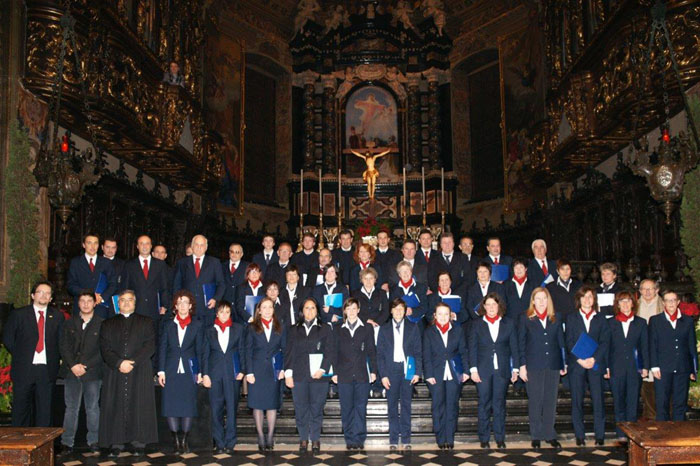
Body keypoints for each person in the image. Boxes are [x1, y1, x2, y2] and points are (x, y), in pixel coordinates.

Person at [98, 290, 158, 457]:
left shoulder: (146, 322)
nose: (126, 303)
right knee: (115, 404)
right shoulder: (107, 324)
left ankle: (139, 442)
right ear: (118, 303)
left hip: (139, 369)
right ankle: (116, 442)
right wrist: (119, 363)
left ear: (135, 302)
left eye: (129, 300)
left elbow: (150, 346)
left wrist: (133, 362)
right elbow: (105, 348)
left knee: (139, 404)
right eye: (122, 300)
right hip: (115, 370)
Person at [3, 281, 63, 427]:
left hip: (46, 370)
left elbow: (61, 341)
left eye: (47, 293)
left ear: (51, 298)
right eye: (40, 292)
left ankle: (42, 441)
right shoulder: (19, 314)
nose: (44, 295)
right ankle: (19, 440)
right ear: (32, 295)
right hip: (24, 369)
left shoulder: (57, 317)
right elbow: (8, 338)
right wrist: (22, 355)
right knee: (21, 410)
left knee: (45, 412)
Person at [517, 287, 566, 450]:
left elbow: (561, 341)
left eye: (544, 298)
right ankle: (536, 435)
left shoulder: (556, 317)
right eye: (538, 298)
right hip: (533, 365)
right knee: (536, 400)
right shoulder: (525, 318)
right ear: (533, 301)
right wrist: (522, 366)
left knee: (550, 400)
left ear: (548, 300)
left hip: (553, 364)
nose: (541, 302)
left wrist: (564, 362)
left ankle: (550, 434)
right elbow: (521, 343)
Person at [469, 293, 520, 449]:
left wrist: (516, 369)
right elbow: (472, 348)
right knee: (484, 403)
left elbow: (514, 347)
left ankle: (499, 438)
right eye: (488, 304)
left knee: (499, 404)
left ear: (499, 306)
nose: (491, 307)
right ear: (484, 307)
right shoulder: (476, 324)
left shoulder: (508, 323)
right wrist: (473, 369)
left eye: (494, 304)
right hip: (482, 369)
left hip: (502, 369)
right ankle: (484, 438)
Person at [284, 298, 334, 453]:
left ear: (317, 311)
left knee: (317, 408)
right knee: (300, 408)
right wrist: (288, 374)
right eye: (307, 308)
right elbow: (289, 352)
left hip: (319, 376)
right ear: (301, 311)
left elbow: (330, 351)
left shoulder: (325, 328)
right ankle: (303, 439)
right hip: (299, 375)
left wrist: (323, 369)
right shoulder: (293, 329)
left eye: (313, 308)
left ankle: (316, 439)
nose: (310, 311)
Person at [157, 290, 203, 454]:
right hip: (170, 369)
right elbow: (162, 348)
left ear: (190, 306)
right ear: (175, 306)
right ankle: (176, 440)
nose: (183, 305)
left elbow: (200, 350)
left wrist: (200, 371)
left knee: (188, 406)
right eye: (179, 302)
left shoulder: (197, 325)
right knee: (170, 406)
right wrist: (161, 371)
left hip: (190, 371)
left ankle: (184, 440)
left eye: (186, 302)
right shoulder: (168, 325)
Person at [58, 290, 104, 455]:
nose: (85, 304)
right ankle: (67, 442)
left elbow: (103, 350)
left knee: (92, 408)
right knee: (71, 408)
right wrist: (73, 365)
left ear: (94, 303)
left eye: (89, 301)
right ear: (78, 303)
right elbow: (63, 346)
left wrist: (86, 366)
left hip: (92, 373)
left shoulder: (102, 324)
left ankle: (94, 441)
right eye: (82, 301)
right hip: (72, 372)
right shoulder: (69, 323)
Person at [565, 286, 610, 446]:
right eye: (584, 297)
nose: (587, 300)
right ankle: (580, 435)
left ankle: (600, 435)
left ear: (594, 299)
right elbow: (569, 340)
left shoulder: (601, 318)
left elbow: (605, 341)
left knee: (598, 400)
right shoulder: (571, 317)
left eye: (590, 296)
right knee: (577, 401)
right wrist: (580, 359)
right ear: (579, 299)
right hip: (577, 364)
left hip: (595, 364)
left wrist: (594, 359)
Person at [377, 298, 422, 450]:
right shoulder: (384, 329)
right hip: (391, 371)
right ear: (391, 311)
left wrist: (417, 372)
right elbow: (380, 355)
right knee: (392, 406)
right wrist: (383, 375)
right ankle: (393, 439)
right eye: (395, 309)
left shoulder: (413, 327)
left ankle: (406, 438)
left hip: (407, 370)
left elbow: (418, 351)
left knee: (406, 405)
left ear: (405, 311)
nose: (398, 312)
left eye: (401, 309)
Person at [332, 298, 377, 450]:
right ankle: (349, 439)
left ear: (358, 310)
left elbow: (372, 351)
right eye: (348, 308)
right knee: (346, 408)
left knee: (360, 407)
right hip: (343, 374)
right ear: (344, 311)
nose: (351, 311)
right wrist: (334, 372)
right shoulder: (337, 329)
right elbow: (334, 353)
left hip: (362, 374)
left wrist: (374, 371)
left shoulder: (367, 328)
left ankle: (359, 438)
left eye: (354, 308)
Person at [201, 301, 246, 454]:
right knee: (216, 409)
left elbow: (242, 350)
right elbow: (205, 354)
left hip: (232, 373)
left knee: (232, 408)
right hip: (214, 374)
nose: (224, 315)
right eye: (221, 312)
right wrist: (205, 374)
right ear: (217, 313)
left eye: (227, 312)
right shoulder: (209, 331)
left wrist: (242, 370)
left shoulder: (238, 329)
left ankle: (230, 441)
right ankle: (219, 442)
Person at [424, 302, 470, 449]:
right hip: (435, 374)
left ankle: (450, 438)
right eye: (440, 314)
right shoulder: (429, 332)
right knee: (438, 406)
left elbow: (463, 351)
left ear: (450, 315)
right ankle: (440, 437)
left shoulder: (458, 330)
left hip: (454, 373)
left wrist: (466, 371)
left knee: (452, 406)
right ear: (435, 315)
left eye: (446, 314)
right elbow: (426, 355)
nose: (443, 317)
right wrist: (428, 374)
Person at [122, 235, 171, 370]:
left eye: (147, 243)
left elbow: (164, 288)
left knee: (153, 342)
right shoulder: (129, 265)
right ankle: (134, 369)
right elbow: (125, 289)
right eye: (141, 243)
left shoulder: (160, 265)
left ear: (151, 246)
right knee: (135, 341)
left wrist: (164, 305)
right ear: (137, 246)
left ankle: (152, 372)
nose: (144, 246)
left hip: (154, 310)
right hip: (135, 310)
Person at [605, 291, 648, 442]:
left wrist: (645, 367)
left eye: (628, 301)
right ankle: (621, 433)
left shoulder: (641, 323)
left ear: (633, 303)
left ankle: (632, 435)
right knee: (618, 402)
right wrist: (606, 367)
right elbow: (606, 347)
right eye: (621, 301)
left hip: (634, 368)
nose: (625, 304)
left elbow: (644, 347)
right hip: (616, 368)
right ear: (617, 304)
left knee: (632, 402)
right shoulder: (610, 323)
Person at [649, 290, 698, 421]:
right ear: (663, 303)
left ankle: (678, 431)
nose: (671, 303)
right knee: (662, 404)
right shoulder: (655, 321)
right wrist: (654, 366)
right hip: (663, 368)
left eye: (673, 300)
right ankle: (663, 432)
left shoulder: (687, 320)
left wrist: (693, 369)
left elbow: (691, 345)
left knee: (680, 404)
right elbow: (652, 345)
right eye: (668, 300)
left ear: (678, 302)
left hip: (682, 368)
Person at [245, 297, 287, 451]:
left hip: (273, 371)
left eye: (270, 307)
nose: (268, 310)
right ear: (259, 310)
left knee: (271, 404)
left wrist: (283, 369)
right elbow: (248, 351)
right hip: (256, 370)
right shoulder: (251, 327)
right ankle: (260, 436)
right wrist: (249, 372)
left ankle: (270, 435)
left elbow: (285, 349)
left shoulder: (280, 326)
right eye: (264, 307)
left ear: (273, 309)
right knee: (257, 405)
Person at [350, 267, 387, 398]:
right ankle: (368, 384)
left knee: (378, 355)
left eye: (371, 278)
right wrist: (367, 321)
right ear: (361, 280)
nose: (368, 281)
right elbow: (353, 310)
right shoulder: (355, 294)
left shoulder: (382, 293)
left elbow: (386, 311)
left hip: (378, 328)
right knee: (365, 355)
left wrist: (376, 322)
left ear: (375, 280)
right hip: (363, 328)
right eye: (365, 278)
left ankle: (379, 384)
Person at [173, 235, 225, 326]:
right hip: (187, 309)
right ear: (192, 246)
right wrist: (177, 303)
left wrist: (215, 299)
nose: (199, 247)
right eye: (196, 244)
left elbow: (221, 284)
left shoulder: (215, 262)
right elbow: (177, 285)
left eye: (202, 245)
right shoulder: (182, 263)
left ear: (206, 247)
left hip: (207, 309)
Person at [67, 233, 116, 319]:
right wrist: (89, 295)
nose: (93, 246)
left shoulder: (106, 263)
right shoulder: (75, 262)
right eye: (89, 243)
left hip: (101, 307)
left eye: (95, 243)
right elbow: (71, 285)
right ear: (83, 245)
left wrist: (102, 297)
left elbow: (113, 284)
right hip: (81, 307)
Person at [637, 279, 663, 420]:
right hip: (641, 350)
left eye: (650, 288)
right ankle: (649, 416)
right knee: (645, 385)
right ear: (640, 291)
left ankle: (662, 416)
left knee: (660, 384)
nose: (647, 292)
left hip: (659, 350)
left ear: (656, 290)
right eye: (644, 289)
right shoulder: (634, 306)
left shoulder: (664, 305)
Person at [389, 261, 429, 330]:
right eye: (402, 271)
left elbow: (425, 307)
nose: (405, 273)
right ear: (399, 274)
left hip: (417, 324)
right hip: (400, 323)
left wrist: (412, 311)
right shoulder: (394, 289)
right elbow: (391, 308)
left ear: (411, 272)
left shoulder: (421, 287)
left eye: (407, 270)